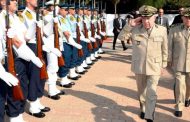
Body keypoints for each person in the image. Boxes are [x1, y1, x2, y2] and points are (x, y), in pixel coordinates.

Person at [118, 5, 168, 122]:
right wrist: (130, 25)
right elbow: (122, 37)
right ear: (141, 18)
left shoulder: (162, 30)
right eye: (144, 18)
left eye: (149, 18)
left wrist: (163, 65)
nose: (146, 21)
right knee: (142, 93)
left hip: (155, 66)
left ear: (154, 17)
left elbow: (165, 50)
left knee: (151, 92)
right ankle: (143, 108)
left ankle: (149, 115)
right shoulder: (135, 29)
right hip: (139, 66)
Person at [168, 7, 190, 117]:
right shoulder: (174, 29)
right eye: (186, 17)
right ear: (182, 17)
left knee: (189, 85)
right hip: (178, 63)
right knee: (179, 85)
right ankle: (179, 106)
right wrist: (168, 60)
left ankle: (187, 98)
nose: (188, 20)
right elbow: (169, 47)